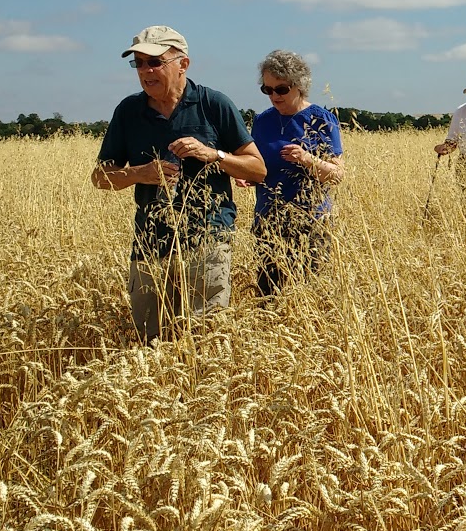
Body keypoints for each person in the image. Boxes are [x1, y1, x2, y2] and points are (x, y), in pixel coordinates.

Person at [92, 25, 266, 341]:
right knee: (149, 341)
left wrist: (213, 154)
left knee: (204, 339)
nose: (146, 71)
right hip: (150, 242)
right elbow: (100, 178)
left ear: (183, 64)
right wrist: (140, 173)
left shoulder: (213, 104)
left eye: (155, 62)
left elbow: (258, 169)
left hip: (207, 239)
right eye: (139, 63)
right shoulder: (128, 111)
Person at [247, 50, 345, 297]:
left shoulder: (321, 120)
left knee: (309, 294)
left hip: (311, 222)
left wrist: (307, 159)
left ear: (299, 86)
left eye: (281, 89)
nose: (274, 96)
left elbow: (337, 174)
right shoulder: (261, 122)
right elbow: (257, 163)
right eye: (267, 90)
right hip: (268, 220)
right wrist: (248, 175)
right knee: (269, 295)